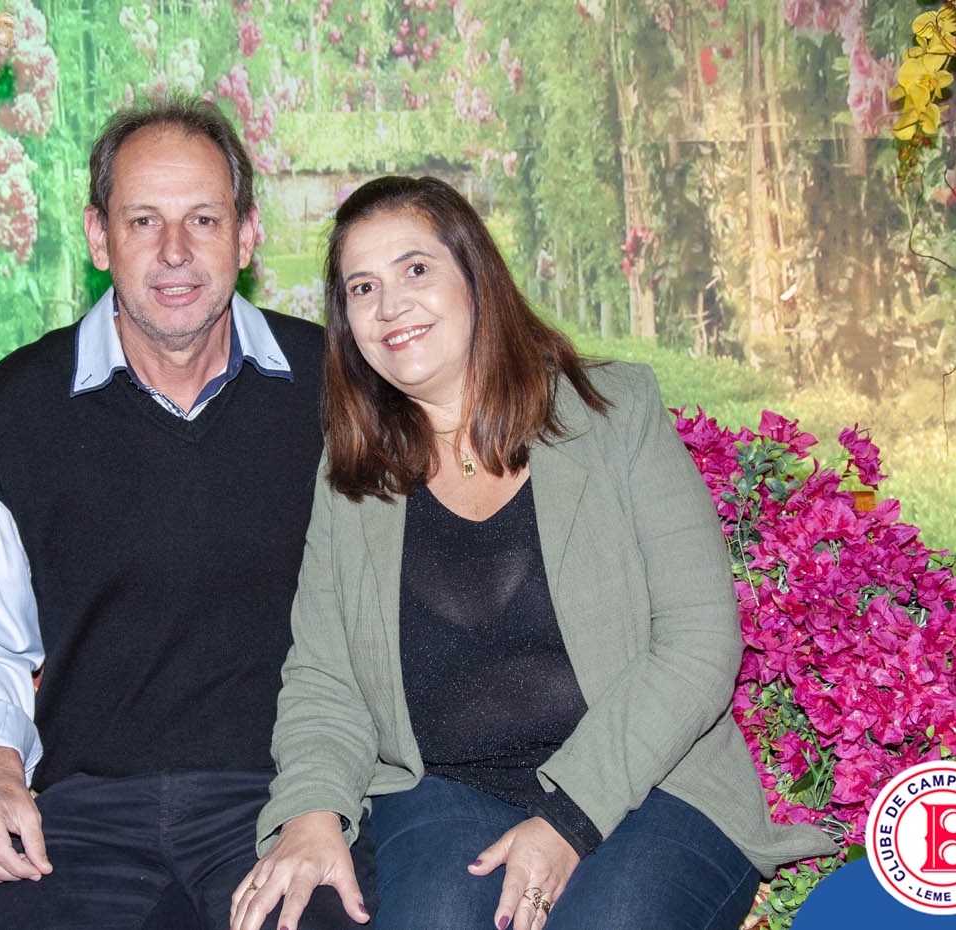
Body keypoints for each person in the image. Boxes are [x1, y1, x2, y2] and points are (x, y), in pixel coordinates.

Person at [230, 176, 836, 930]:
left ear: (475, 277)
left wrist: (569, 819)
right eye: (363, 288)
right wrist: (312, 810)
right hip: (445, 789)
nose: (390, 306)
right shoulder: (353, 474)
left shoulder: (613, 413)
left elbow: (698, 641)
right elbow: (326, 677)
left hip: (653, 783)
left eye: (416, 268)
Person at [0, 98, 372, 930]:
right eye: (142, 221)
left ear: (247, 235)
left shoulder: (336, 389)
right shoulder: (16, 410)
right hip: (81, 817)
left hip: (282, 803)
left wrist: (324, 799)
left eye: (203, 219)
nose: (174, 251)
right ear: (99, 238)